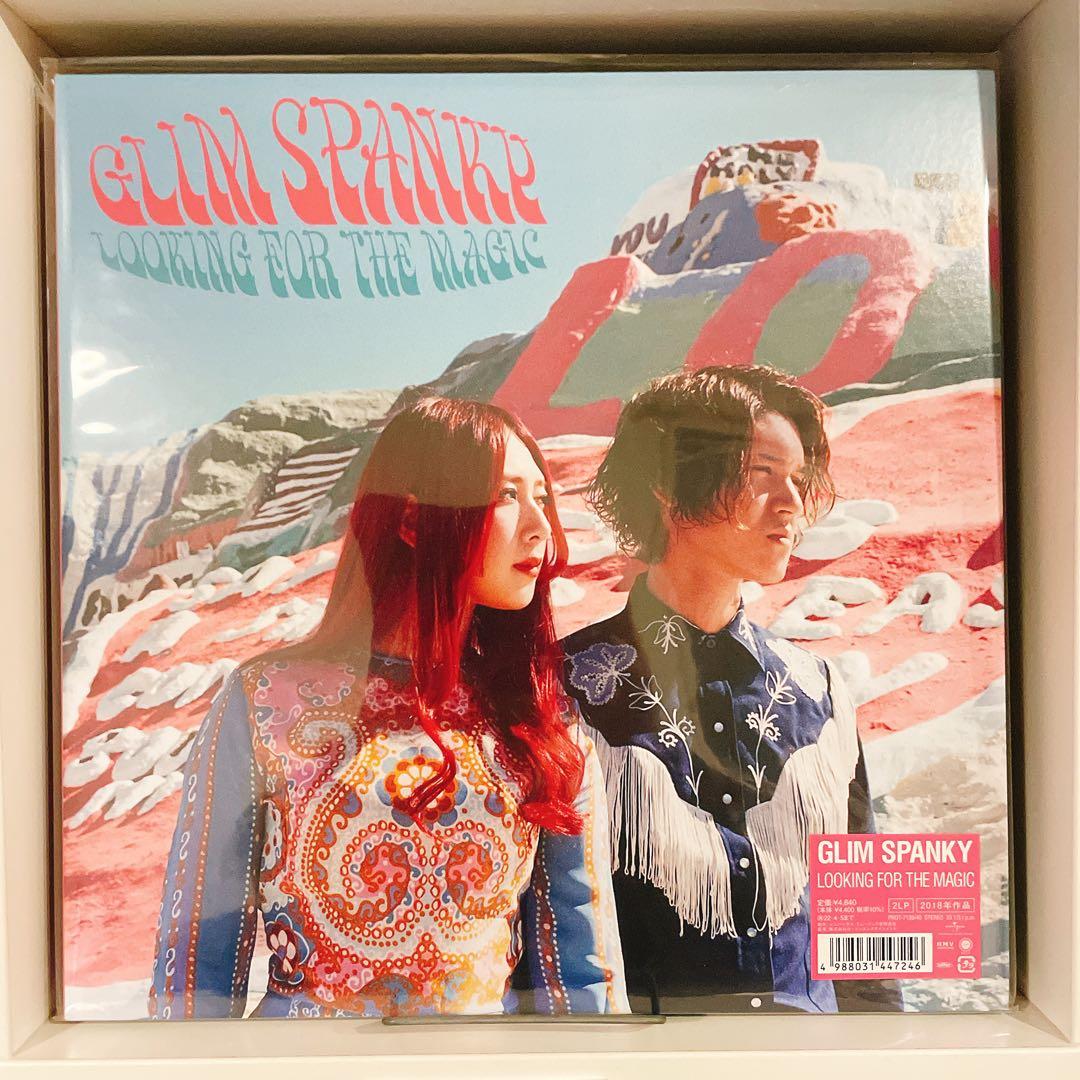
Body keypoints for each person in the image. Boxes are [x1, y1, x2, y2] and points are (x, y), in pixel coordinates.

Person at [150, 397, 628, 1020]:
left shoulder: (537, 716)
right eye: (507, 495)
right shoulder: (265, 701)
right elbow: (197, 971)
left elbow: (582, 978)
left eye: (542, 497)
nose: (542, 528)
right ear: (411, 520)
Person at [562, 365, 901, 1014]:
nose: (792, 504)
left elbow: (870, 928)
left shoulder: (823, 692)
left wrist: (880, 1046)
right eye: (761, 473)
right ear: (669, 483)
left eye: (798, 478)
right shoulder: (564, 688)